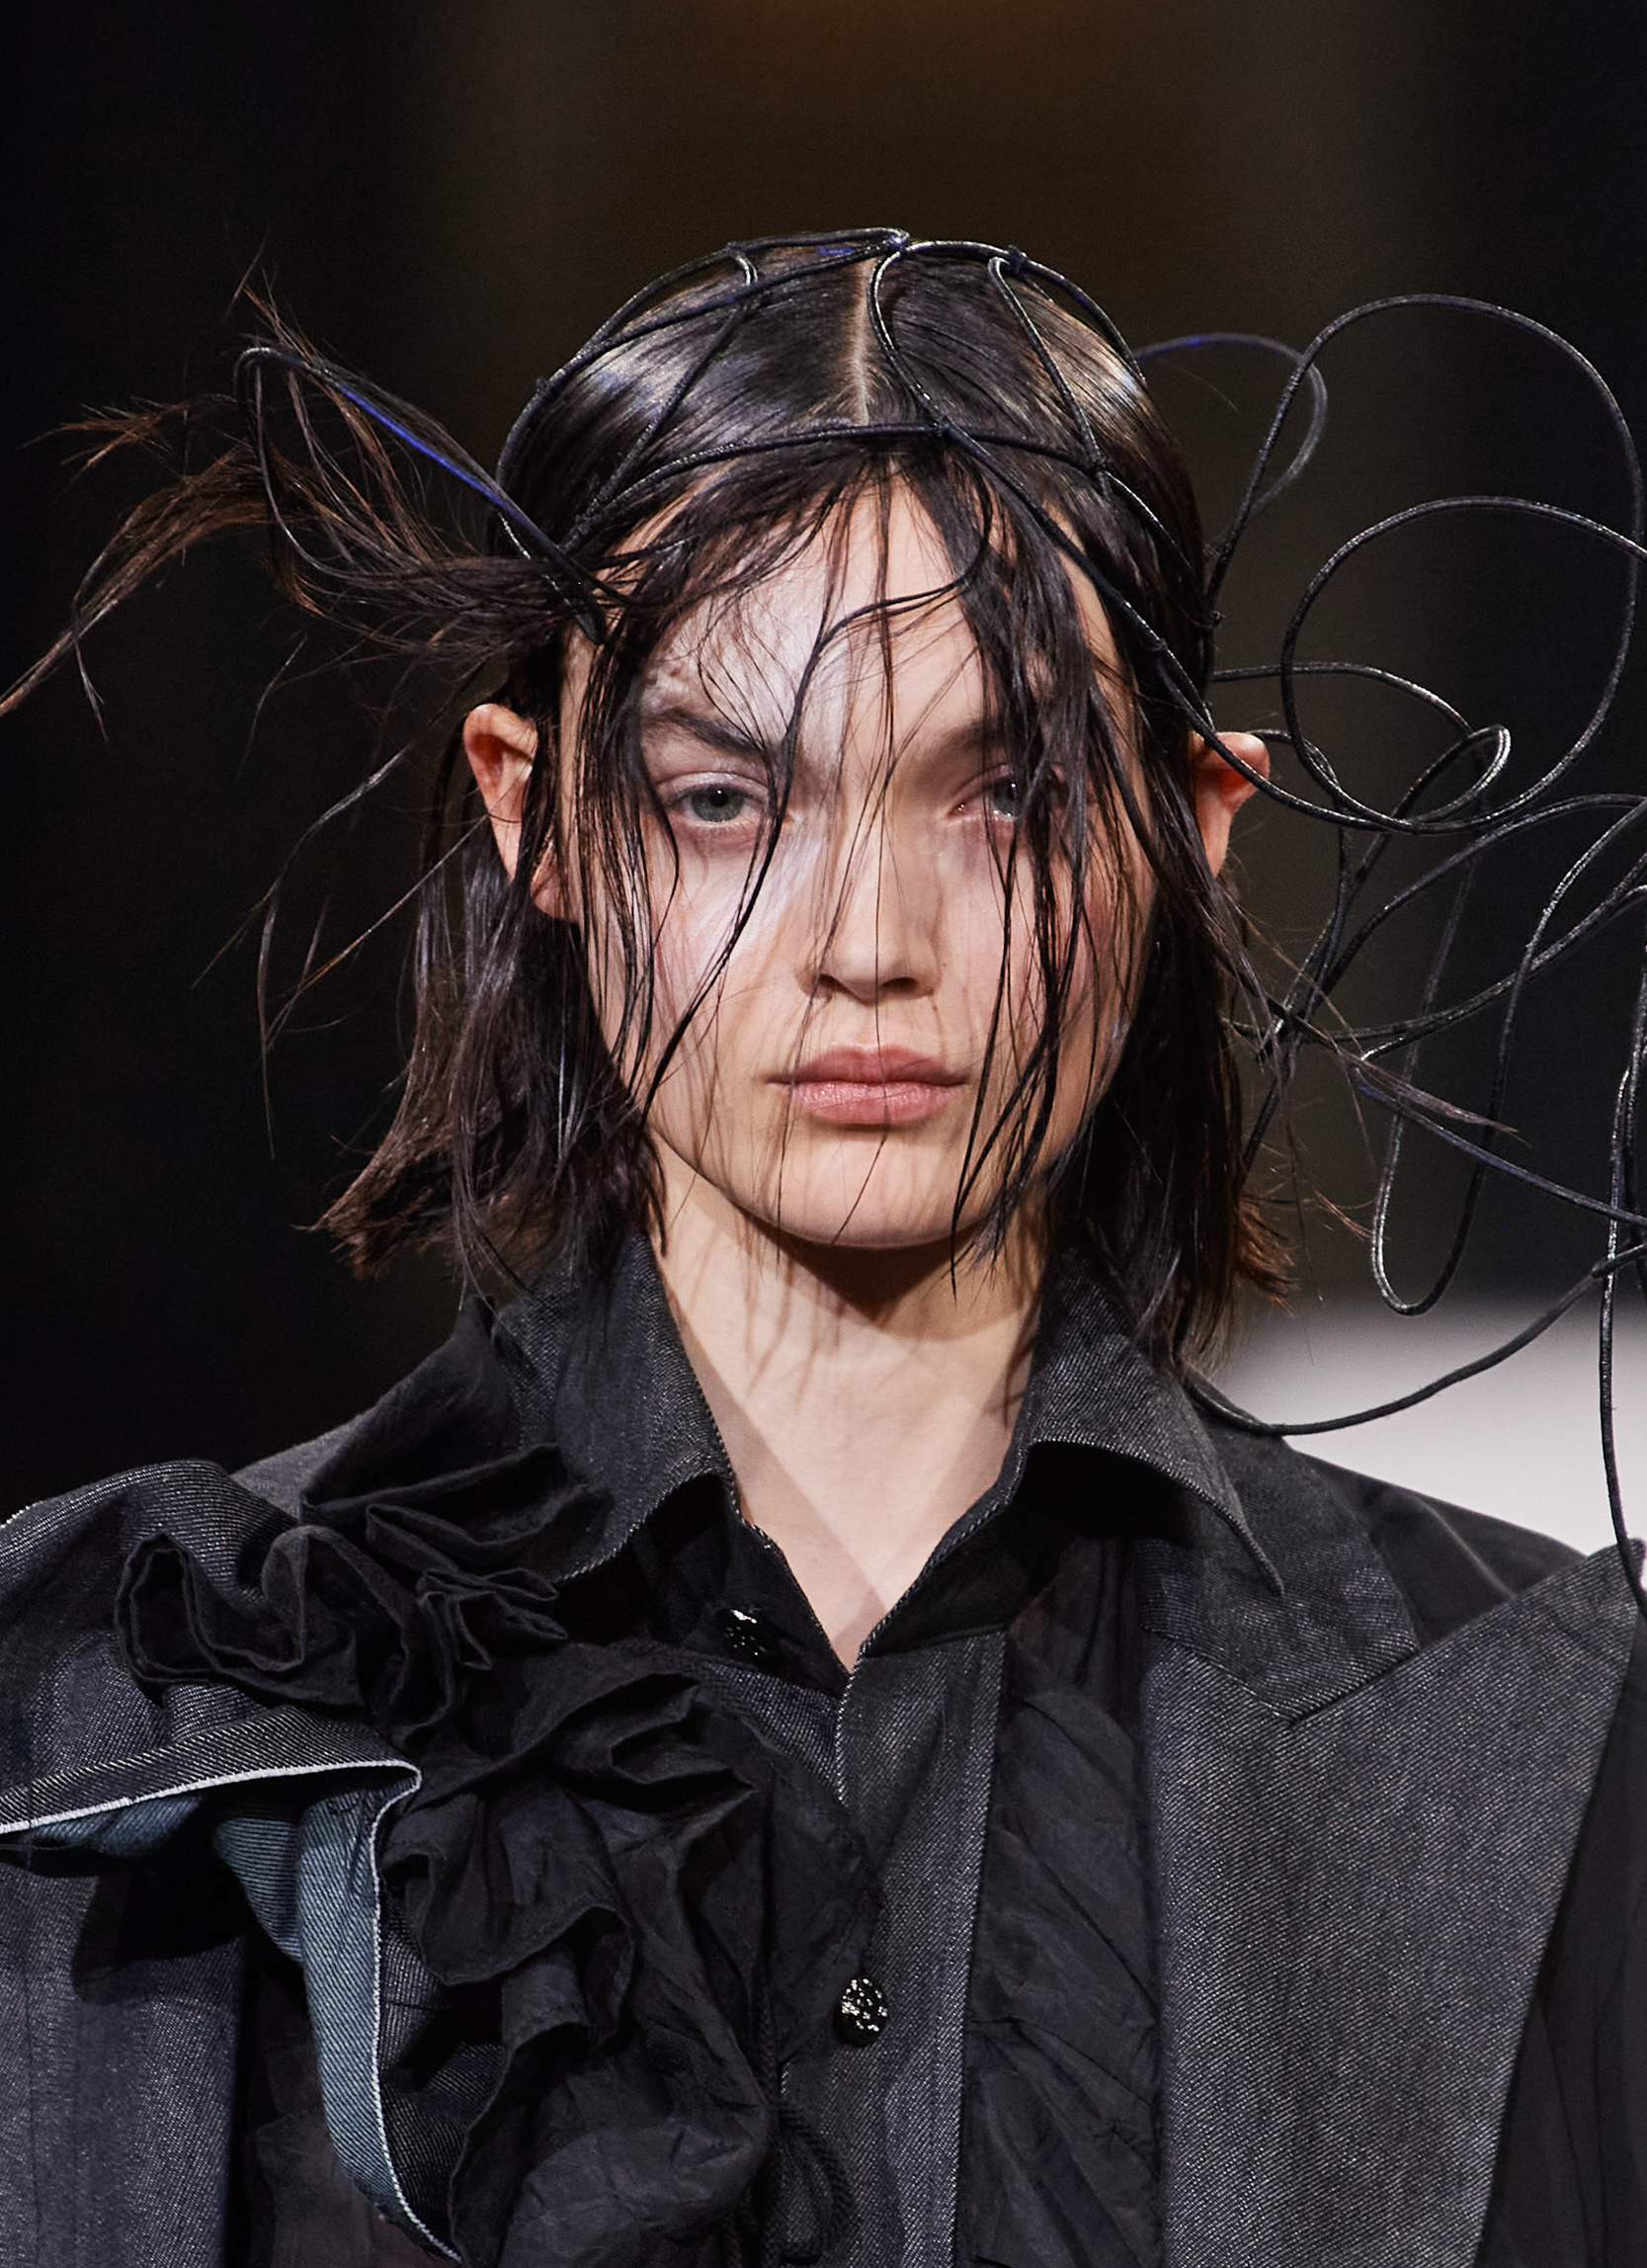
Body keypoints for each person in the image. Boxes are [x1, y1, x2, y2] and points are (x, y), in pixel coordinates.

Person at [0, 232, 1640, 2268]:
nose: (867, 940)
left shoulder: (1538, 1740)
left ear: (1190, 830)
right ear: (536, 815)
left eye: (1011, 796)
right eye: (721, 799)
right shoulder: (142, 1715)